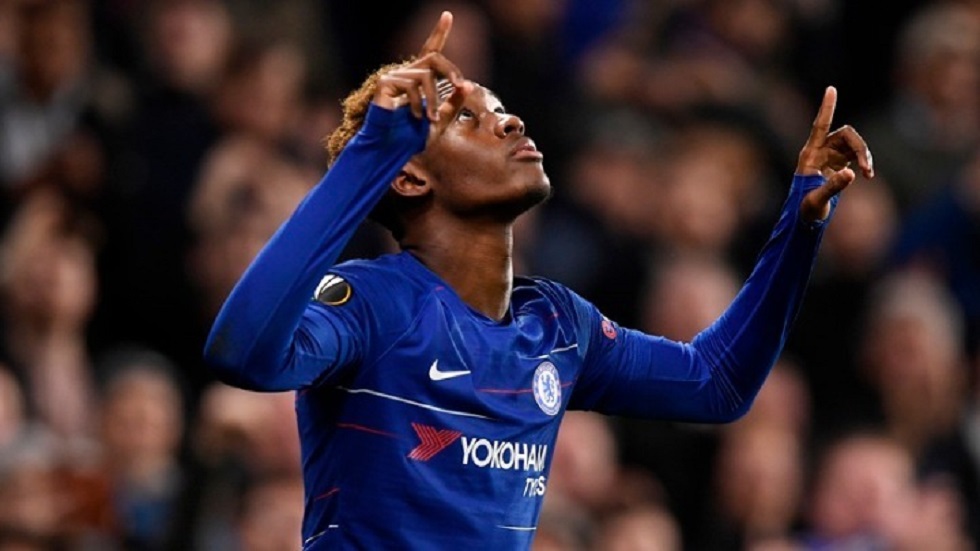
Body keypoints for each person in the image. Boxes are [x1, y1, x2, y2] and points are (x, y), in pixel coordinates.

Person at [203, 11, 874, 549]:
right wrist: (369, 155)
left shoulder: (557, 325)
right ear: (409, 176)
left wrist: (801, 224)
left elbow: (716, 384)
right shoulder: (374, 303)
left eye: (500, 107)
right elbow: (243, 353)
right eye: (468, 118)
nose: (511, 119)